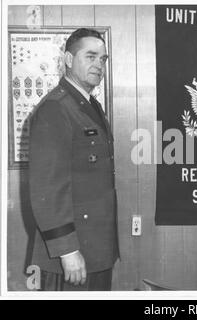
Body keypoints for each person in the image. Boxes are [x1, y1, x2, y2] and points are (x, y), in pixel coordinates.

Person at [29, 28, 119, 291]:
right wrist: (67, 251)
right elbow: (47, 187)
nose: (98, 65)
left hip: (96, 249)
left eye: (103, 59)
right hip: (70, 255)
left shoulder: (89, 105)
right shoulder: (56, 108)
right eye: (90, 56)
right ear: (68, 59)